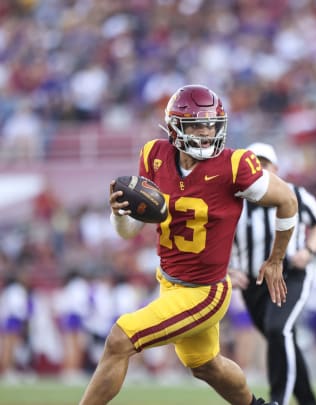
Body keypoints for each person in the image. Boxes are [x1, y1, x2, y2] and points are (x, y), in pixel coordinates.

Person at [79, 84, 298, 405]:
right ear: (175, 127)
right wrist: (120, 214)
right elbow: (129, 231)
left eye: (212, 124)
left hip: (204, 291)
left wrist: (276, 258)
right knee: (206, 365)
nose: (207, 132)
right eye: (197, 124)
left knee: (120, 338)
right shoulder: (154, 156)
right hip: (168, 281)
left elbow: (288, 201)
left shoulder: (235, 166)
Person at [230, 142, 316, 405]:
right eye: (255, 163)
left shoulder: (293, 192)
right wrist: (226, 271)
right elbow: (211, 240)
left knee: (278, 331)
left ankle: (278, 400)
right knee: (284, 342)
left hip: (289, 276)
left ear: (276, 168)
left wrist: (309, 250)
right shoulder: (233, 200)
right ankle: (308, 401)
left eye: (265, 163)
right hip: (253, 284)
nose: (260, 168)